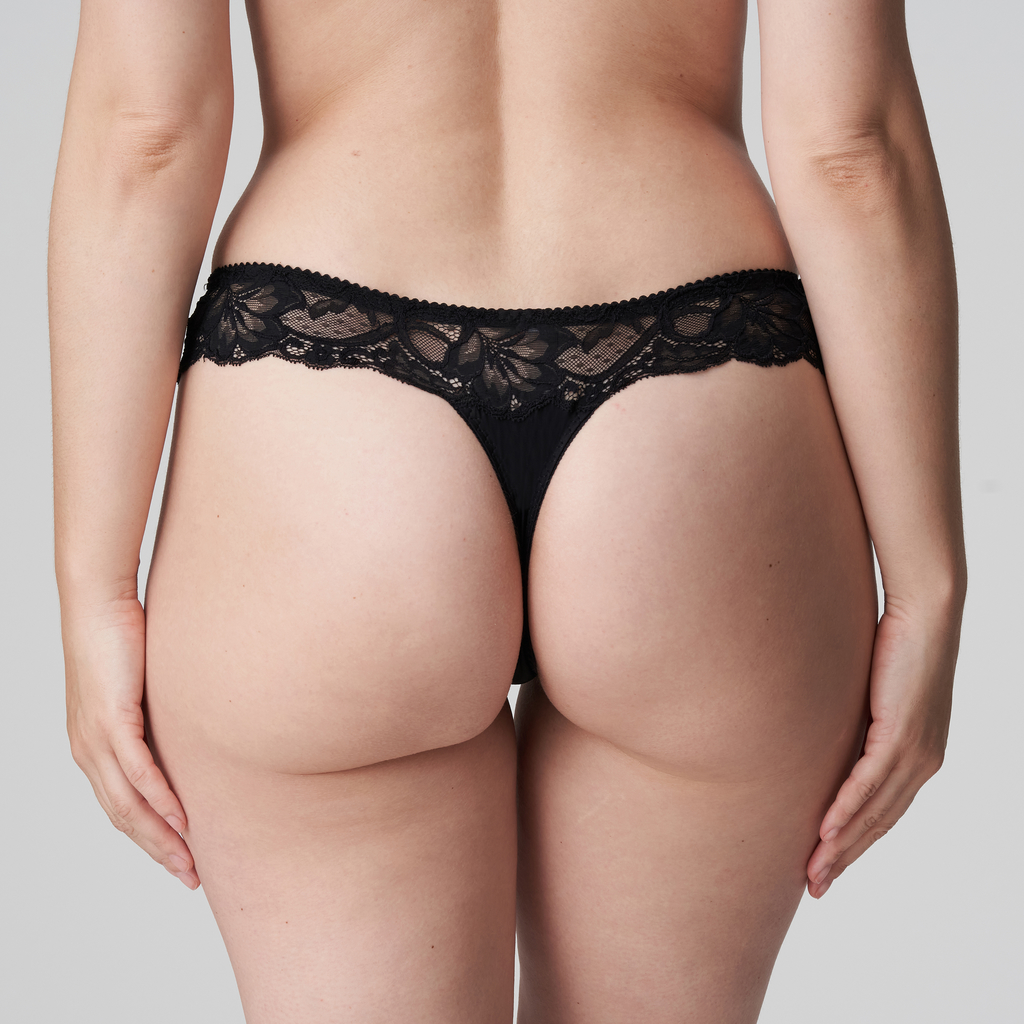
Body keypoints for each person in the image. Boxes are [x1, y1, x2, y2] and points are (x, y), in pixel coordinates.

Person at [48, 0, 966, 1020]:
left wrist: (94, 584)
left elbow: (148, 135)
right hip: (694, 403)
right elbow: (851, 151)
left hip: (329, 411)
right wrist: (925, 584)